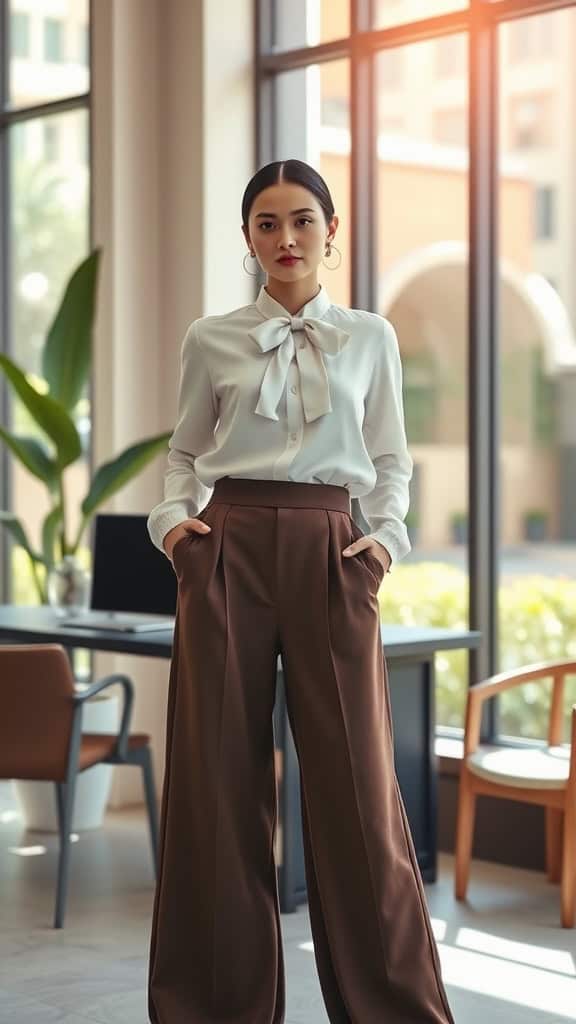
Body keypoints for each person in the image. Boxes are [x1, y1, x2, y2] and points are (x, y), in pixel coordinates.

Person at [146, 158, 455, 1024]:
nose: (286, 238)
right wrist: (174, 526)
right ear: (247, 238)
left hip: (334, 548)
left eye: (303, 220)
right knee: (216, 784)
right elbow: (182, 451)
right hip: (228, 547)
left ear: (331, 230)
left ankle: (393, 1008)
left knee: (357, 785)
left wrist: (382, 546)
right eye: (268, 223)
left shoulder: (371, 336)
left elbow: (392, 459)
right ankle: (213, 1008)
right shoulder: (211, 338)